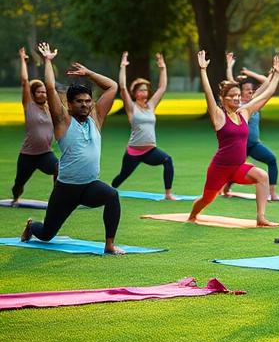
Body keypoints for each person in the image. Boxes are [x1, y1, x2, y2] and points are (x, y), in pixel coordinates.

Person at [21, 42, 123, 254]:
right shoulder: (63, 121)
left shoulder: (96, 118)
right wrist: (48, 61)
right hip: (66, 190)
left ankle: (110, 245)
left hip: (89, 187)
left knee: (112, 195)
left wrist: (88, 73)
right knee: (47, 234)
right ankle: (32, 226)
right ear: (69, 104)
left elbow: (113, 86)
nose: (85, 105)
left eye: (88, 101)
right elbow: (50, 88)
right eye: (79, 102)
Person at [188, 51, 279, 225]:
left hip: (238, 167)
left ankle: (261, 218)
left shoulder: (244, 113)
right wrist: (202, 70)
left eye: (238, 95)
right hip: (220, 168)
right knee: (207, 199)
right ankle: (193, 214)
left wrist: (277, 75)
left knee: (262, 176)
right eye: (232, 96)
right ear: (222, 99)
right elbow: (208, 93)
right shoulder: (218, 115)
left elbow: (266, 95)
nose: (237, 98)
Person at [111, 52, 176, 199]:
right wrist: (123, 66)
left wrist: (162, 67)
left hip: (150, 150)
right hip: (133, 152)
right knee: (122, 176)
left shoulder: (151, 105)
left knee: (167, 160)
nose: (144, 92)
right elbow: (122, 87)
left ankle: (168, 194)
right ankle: (109, 190)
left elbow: (162, 87)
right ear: (135, 93)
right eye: (141, 89)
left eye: (146, 89)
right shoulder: (131, 107)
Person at [223, 52, 279, 201]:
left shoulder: (255, 102)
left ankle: (273, 193)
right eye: (247, 90)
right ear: (240, 92)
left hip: (254, 144)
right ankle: (226, 188)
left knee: (271, 159)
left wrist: (252, 73)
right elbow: (231, 82)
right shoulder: (238, 106)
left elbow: (266, 83)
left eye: (252, 89)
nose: (250, 91)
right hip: (240, 145)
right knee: (235, 167)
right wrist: (229, 66)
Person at [11, 47, 58, 205]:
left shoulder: (50, 107)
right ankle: (15, 198)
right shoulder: (28, 106)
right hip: (27, 155)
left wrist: (48, 61)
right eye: (39, 92)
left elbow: (51, 85)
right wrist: (23, 61)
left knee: (59, 168)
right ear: (33, 94)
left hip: (45, 154)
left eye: (45, 92)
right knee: (19, 184)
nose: (43, 94)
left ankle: (57, 198)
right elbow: (25, 82)